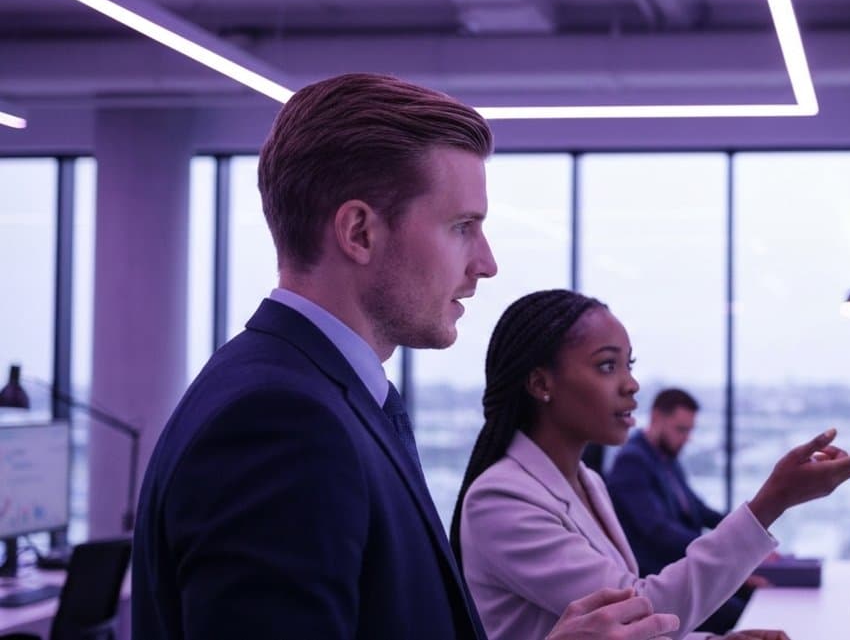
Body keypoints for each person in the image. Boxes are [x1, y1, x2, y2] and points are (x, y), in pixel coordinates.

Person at [131, 73, 679, 640]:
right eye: (462, 227)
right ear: (360, 232)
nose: (486, 264)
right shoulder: (282, 422)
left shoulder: (327, 396)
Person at [455, 289, 850, 640]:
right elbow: (637, 612)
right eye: (607, 365)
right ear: (541, 383)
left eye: (629, 365)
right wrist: (773, 500)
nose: (631, 383)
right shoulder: (502, 499)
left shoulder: (586, 482)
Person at [606, 389, 761, 634]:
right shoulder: (633, 461)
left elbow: (697, 508)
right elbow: (658, 529)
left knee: (753, 596)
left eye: (689, 430)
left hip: (686, 568)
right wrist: (722, 550)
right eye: (681, 429)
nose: (686, 438)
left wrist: (749, 527)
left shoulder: (665, 458)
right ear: (657, 417)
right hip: (660, 581)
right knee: (742, 612)